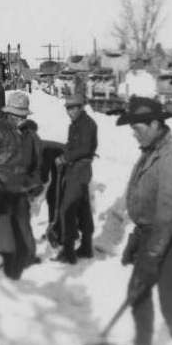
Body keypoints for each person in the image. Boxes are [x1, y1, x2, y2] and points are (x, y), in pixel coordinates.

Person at [112, 96, 172, 345]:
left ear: (153, 124)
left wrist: (151, 254)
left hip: (169, 239)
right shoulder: (151, 150)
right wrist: (137, 239)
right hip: (150, 234)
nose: (134, 135)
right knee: (137, 292)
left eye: (137, 129)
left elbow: (167, 214)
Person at [0, 92, 42, 280]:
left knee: (23, 237)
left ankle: (23, 275)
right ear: (9, 114)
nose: (21, 118)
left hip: (19, 194)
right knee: (6, 242)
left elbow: (35, 165)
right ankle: (3, 280)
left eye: (23, 115)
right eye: (17, 115)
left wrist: (33, 184)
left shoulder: (29, 136)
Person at [51, 93, 98, 263]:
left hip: (80, 170)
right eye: (68, 108)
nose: (69, 112)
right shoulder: (76, 124)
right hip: (76, 170)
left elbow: (84, 148)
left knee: (67, 209)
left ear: (81, 107)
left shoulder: (87, 125)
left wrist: (64, 158)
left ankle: (68, 252)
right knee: (83, 209)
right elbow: (72, 145)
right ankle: (86, 247)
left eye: (73, 108)